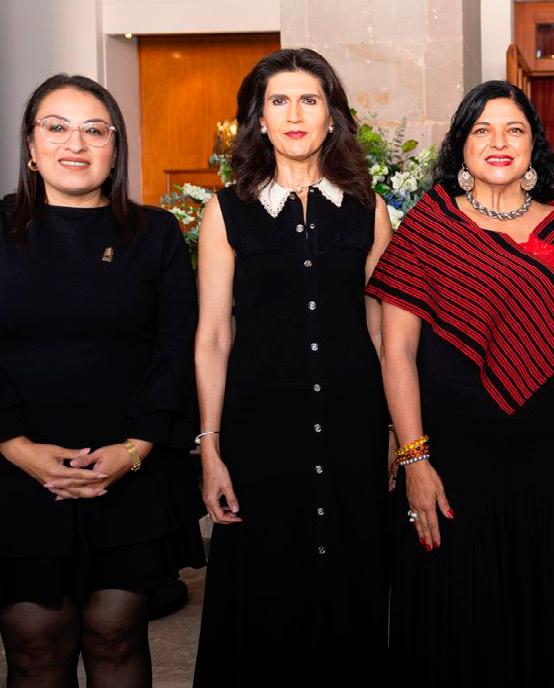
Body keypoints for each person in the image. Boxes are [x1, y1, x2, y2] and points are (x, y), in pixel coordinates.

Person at [366, 80, 554, 688]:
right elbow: (397, 350)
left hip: (543, 457)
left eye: (514, 130)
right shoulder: (430, 225)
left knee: (535, 604)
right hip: (451, 457)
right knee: (453, 606)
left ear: (533, 146)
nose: (499, 142)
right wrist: (414, 457)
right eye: (483, 130)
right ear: (461, 146)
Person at [192, 48, 392, 686]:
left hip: (354, 427)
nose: (295, 114)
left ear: (332, 116)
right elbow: (214, 335)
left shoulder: (369, 209)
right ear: (259, 119)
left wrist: (397, 432)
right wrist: (210, 447)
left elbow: (383, 331)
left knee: (355, 584)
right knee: (267, 590)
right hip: (260, 433)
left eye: (310, 99)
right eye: (279, 101)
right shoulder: (225, 210)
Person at [0, 74, 205, 687]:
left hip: (129, 469)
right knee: (35, 645)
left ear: (116, 148)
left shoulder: (156, 233)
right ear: (30, 145)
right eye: (56, 128)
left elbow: (176, 349)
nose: (76, 144)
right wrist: (17, 448)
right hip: (13, 470)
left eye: (95, 130)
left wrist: (135, 451)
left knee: (117, 636)